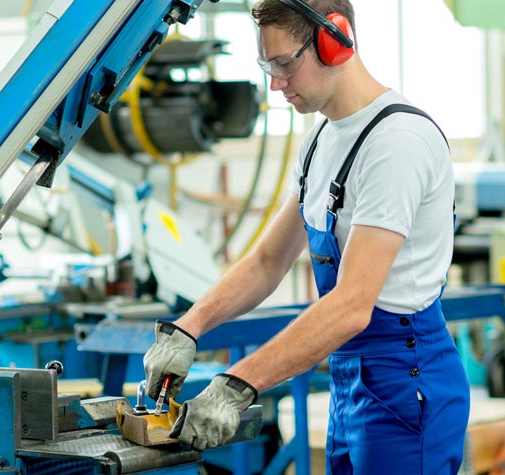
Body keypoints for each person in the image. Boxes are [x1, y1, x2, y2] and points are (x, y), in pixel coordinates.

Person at [143, 0, 470, 472]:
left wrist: (238, 383)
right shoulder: (320, 140)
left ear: (334, 42)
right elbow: (266, 263)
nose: (275, 84)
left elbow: (352, 305)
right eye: (265, 66)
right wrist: (187, 329)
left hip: (406, 380)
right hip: (349, 378)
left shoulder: (396, 143)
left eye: (284, 64)